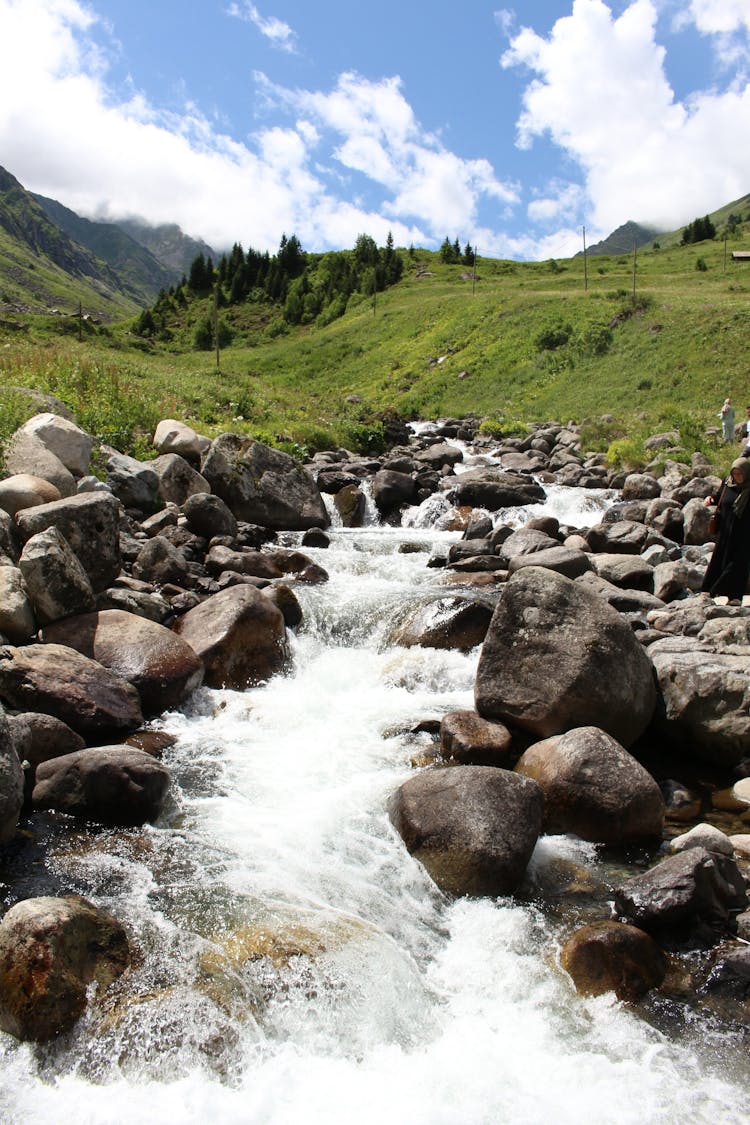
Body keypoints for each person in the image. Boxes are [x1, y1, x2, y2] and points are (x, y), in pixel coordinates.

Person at [702, 457, 750, 602]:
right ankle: (710, 591)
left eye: (741, 474)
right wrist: (710, 499)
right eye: (735, 474)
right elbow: (719, 497)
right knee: (720, 560)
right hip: (725, 530)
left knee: (737, 564)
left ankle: (732, 595)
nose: (738, 477)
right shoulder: (728, 483)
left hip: (744, 533)